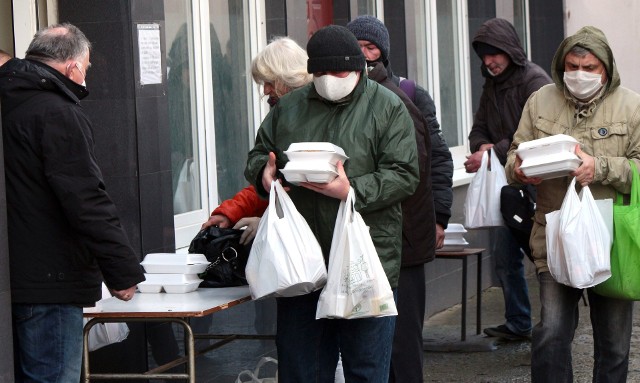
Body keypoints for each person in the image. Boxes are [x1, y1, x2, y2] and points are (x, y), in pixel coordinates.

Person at [244, 25, 419, 383]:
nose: (329, 80)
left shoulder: (388, 107)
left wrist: (351, 189)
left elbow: (404, 174)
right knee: (301, 370)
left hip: (367, 262)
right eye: (321, 72)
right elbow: (260, 154)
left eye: (338, 72)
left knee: (367, 370)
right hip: (302, 265)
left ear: (358, 69)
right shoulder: (289, 107)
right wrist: (265, 175)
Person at [0, 23, 145, 382]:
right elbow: (85, 198)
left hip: (15, 277)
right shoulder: (57, 111)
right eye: (87, 67)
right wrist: (121, 271)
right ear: (72, 67)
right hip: (51, 279)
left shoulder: (11, 101)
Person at [506, 26, 640, 382]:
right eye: (572, 65)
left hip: (611, 238)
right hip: (555, 236)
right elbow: (514, 155)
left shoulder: (631, 106)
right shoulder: (540, 100)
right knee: (551, 332)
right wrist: (520, 171)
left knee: (613, 343)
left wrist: (601, 167)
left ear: (606, 70)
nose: (580, 74)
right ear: (561, 65)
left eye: (590, 67)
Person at [346, 15, 449, 383]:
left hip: (406, 239)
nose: (363, 56)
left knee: (403, 343)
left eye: (370, 48)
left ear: (384, 52)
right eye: (355, 48)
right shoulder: (344, 100)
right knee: (370, 345)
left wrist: (441, 216)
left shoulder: (408, 95)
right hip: (360, 241)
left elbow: (436, 158)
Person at [463, 18, 552, 341]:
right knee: (505, 257)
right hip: (505, 185)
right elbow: (478, 130)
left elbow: (536, 134)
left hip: (535, 183)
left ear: (509, 50)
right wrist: (483, 148)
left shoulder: (535, 81)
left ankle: (553, 325)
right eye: (483, 57)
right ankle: (518, 321)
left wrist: (493, 150)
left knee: (541, 256)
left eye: (494, 55)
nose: (488, 62)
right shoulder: (492, 84)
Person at [202, 36, 313, 242]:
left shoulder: (310, 115)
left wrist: (264, 221)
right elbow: (271, 185)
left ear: (289, 77)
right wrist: (230, 212)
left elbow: (301, 193)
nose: (265, 90)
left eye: (270, 82)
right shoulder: (281, 116)